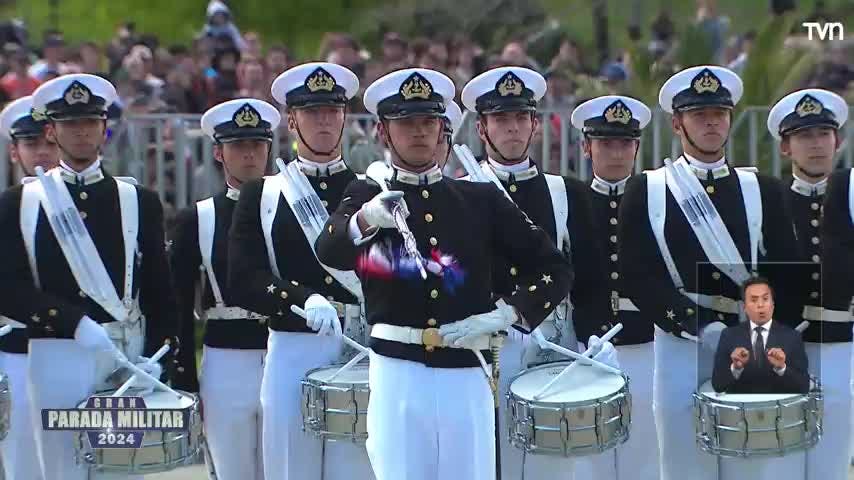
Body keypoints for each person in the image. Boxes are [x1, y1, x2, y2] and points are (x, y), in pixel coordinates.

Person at [314, 67, 573, 480]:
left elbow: (554, 267)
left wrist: (508, 312)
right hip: (397, 371)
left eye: (428, 122)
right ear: (383, 132)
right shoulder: (367, 193)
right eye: (406, 123)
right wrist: (364, 220)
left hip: (465, 368)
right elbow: (328, 249)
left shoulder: (479, 198)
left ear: (443, 129)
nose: (419, 132)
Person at [618, 65, 802, 480]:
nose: (711, 122)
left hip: (751, 337)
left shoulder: (764, 189)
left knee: (750, 462)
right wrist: (700, 327)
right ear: (677, 123)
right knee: (684, 460)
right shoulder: (648, 189)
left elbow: (787, 272)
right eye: (699, 114)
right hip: (680, 344)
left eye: (719, 113)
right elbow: (638, 275)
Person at [0, 73, 180, 480]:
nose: (81, 132)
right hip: (56, 354)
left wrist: (159, 355)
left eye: (90, 123)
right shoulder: (20, 203)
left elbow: (159, 290)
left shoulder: (138, 199)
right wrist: (72, 321)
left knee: (118, 469)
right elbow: (7, 289)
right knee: (62, 469)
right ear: (51, 130)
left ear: (105, 129)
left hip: (123, 355)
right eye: (69, 124)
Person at [228, 62, 374, 480]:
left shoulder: (367, 189)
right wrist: (301, 299)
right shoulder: (263, 193)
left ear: (345, 116)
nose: (324, 120)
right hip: (294, 346)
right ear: (292, 121)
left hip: (357, 347)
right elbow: (243, 277)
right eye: (312, 112)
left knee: (357, 470)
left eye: (332, 110)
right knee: (292, 467)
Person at [460, 65, 603, 479]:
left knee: (556, 464)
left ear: (535, 125)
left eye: (521, 117)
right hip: (485, 346)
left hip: (555, 343)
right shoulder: (463, 191)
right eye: (501, 119)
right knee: (490, 459)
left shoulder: (567, 191)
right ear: (482, 129)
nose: (513, 128)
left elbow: (590, 278)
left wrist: (596, 334)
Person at [169, 98, 281, 479]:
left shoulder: (291, 209)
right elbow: (180, 303)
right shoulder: (197, 218)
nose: (249, 155)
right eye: (238, 146)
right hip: (225, 357)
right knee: (232, 469)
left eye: (257, 145)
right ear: (218, 152)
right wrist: (183, 375)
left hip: (283, 351)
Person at [570, 94, 659, 480]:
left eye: (625, 143)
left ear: (637, 147)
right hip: (587, 346)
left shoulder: (658, 201)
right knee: (592, 459)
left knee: (645, 454)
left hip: (647, 343)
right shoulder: (572, 201)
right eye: (606, 143)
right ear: (587, 147)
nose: (617, 153)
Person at [767, 88, 851, 480]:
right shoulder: (768, 201)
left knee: (832, 460)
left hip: (842, 344)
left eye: (822, 134)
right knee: (779, 460)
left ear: (838, 140)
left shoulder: (849, 197)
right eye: (803, 136)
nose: (815, 145)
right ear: (786, 148)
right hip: (783, 347)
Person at [0, 95, 60, 480]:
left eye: (49, 143)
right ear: (13, 151)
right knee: (21, 464)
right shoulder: (6, 207)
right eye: (30, 144)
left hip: (76, 350)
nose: (41, 153)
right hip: (16, 351)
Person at [712, 277, 810, 394]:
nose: (760, 305)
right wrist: (736, 368)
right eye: (753, 300)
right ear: (744, 307)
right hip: (741, 408)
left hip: (779, 409)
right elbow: (718, 385)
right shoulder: (729, 335)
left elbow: (804, 387)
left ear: (773, 305)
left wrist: (781, 368)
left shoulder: (792, 337)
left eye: (765, 299)